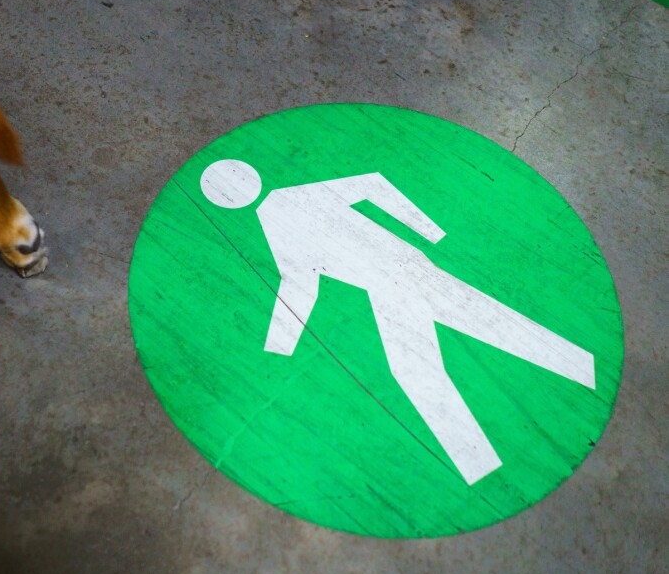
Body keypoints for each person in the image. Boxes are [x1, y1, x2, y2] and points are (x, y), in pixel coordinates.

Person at [200, 160, 596, 484]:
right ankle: (494, 456)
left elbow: (302, 280)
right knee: (473, 333)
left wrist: (280, 343)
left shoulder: (281, 216)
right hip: (397, 276)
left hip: (394, 280)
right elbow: (368, 190)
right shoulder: (289, 206)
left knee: (465, 339)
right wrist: (426, 232)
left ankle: (487, 468)